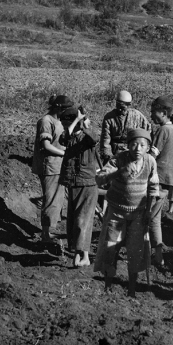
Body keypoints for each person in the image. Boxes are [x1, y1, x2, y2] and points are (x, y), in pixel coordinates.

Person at [94, 128, 159, 298]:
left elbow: (153, 187)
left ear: (147, 147)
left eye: (142, 145)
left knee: (135, 252)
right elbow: (100, 179)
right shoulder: (118, 160)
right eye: (134, 144)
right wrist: (118, 173)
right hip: (116, 213)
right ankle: (107, 287)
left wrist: (149, 211)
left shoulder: (150, 162)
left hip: (138, 214)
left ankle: (131, 290)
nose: (138, 148)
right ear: (128, 146)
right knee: (110, 249)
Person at [58, 106, 99, 268]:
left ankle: (85, 256)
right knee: (74, 222)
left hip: (88, 184)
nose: (63, 126)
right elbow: (64, 138)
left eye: (65, 122)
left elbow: (94, 138)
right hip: (74, 183)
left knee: (83, 221)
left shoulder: (87, 136)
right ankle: (77, 255)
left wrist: (82, 122)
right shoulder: (68, 136)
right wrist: (76, 120)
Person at [32, 94, 72, 245]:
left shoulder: (60, 121)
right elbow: (46, 145)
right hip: (50, 166)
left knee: (57, 200)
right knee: (51, 200)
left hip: (59, 165)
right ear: (57, 108)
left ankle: (48, 231)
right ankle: (45, 235)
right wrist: (65, 153)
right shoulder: (46, 121)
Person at [148, 96, 173, 267]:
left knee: (147, 217)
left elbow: (152, 156)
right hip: (168, 181)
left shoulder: (162, 131)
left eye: (154, 111)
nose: (152, 115)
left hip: (156, 180)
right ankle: (156, 254)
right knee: (154, 217)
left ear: (163, 113)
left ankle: (148, 253)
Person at [99, 90, 151, 164]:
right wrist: (109, 157)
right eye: (118, 106)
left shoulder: (138, 116)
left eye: (123, 107)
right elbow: (105, 139)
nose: (120, 110)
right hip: (114, 153)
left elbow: (147, 132)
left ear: (128, 105)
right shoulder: (109, 117)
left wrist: (142, 151)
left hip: (132, 152)